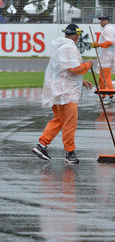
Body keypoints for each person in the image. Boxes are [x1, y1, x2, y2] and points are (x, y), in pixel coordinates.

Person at [32, 24, 94, 164]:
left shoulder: (60, 46)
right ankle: (70, 152)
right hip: (67, 92)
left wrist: (81, 81)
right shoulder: (69, 47)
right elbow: (75, 68)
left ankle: (41, 145)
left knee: (59, 120)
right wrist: (88, 65)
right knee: (69, 123)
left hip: (59, 90)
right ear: (76, 35)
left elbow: (64, 70)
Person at [91, 16, 115, 105]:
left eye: (103, 20)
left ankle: (111, 96)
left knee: (106, 78)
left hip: (106, 57)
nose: (101, 22)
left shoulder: (108, 29)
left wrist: (99, 45)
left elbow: (110, 42)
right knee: (101, 78)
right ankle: (103, 96)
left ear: (107, 21)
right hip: (104, 57)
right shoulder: (107, 29)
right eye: (100, 20)